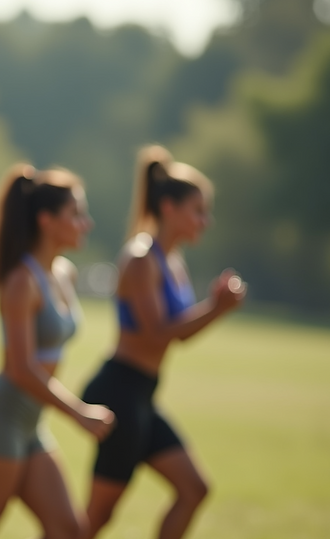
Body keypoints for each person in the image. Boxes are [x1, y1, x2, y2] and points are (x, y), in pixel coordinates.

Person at [79, 145, 246, 539]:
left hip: (142, 394)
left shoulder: (173, 262)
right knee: (94, 519)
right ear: (169, 207)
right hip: (118, 392)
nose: (206, 220)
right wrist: (217, 307)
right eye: (198, 210)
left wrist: (215, 308)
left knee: (194, 489)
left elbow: (178, 334)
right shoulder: (140, 259)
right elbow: (158, 333)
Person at [0, 165, 115, 539]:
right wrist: (79, 413)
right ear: (46, 220)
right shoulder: (21, 281)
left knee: (68, 531)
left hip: (30, 424)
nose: (86, 224)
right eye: (76, 214)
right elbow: (21, 369)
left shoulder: (65, 273)